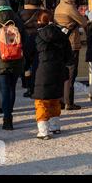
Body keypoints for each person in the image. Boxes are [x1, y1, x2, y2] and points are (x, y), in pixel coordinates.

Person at [0, 0, 27, 130]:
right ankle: (9, 112)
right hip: (17, 60)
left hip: (1, 61)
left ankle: (7, 117)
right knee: (12, 89)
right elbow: (25, 39)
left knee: (4, 90)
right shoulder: (16, 20)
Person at [32, 10, 73, 140]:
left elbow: (29, 53)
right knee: (55, 98)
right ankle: (55, 126)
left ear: (39, 21)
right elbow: (69, 55)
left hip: (43, 70)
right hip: (59, 69)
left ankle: (43, 130)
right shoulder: (62, 35)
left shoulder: (37, 36)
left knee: (41, 100)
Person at [54, 0, 87, 110]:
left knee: (63, 73)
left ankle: (61, 100)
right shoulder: (70, 8)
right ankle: (69, 102)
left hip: (61, 43)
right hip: (72, 43)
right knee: (71, 72)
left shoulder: (58, 7)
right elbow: (83, 22)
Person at [19, 0, 43, 98]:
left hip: (25, 42)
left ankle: (28, 87)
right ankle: (35, 87)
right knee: (37, 66)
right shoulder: (43, 13)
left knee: (26, 66)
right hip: (39, 41)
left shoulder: (20, 14)